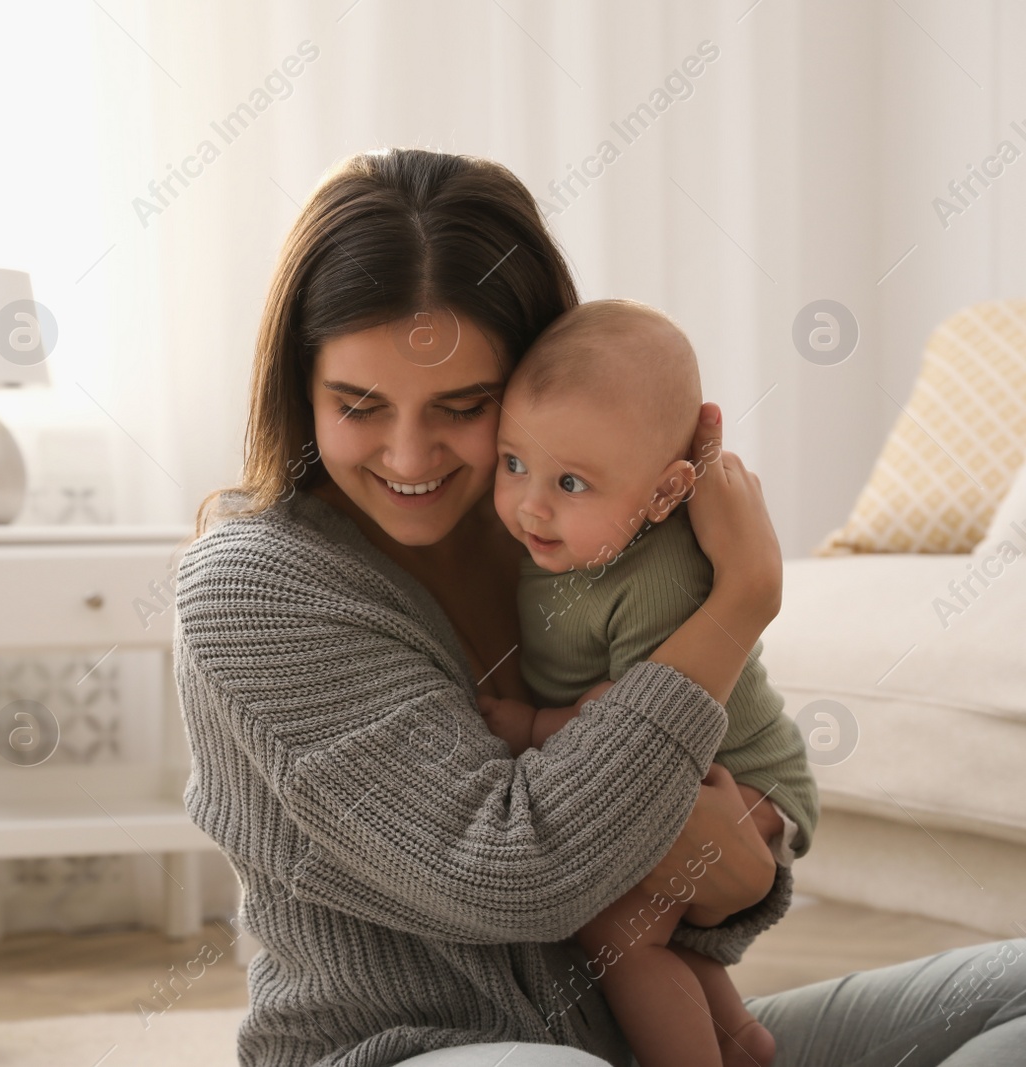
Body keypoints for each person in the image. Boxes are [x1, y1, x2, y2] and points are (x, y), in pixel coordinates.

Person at [173, 146, 1026, 1066]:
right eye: (359, 404)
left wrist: (736, 876)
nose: (410, 456)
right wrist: (740, 602)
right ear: (299, 387)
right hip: (407, 1049)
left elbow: (712, 862)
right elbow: (516, 871)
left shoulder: (571, 539)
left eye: (463, 406)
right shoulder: (252, 587)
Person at [481, 299, 820, 1066]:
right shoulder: (563, 542)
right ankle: (743, 1042)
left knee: (620, 934)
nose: (531, 503)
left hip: (745, 777)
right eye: (514, 463)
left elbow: (638, 725)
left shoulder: (659, 575)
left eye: (571, 481)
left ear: (665, 493)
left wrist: (533, 729)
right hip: (692, 769)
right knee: (673, 942)